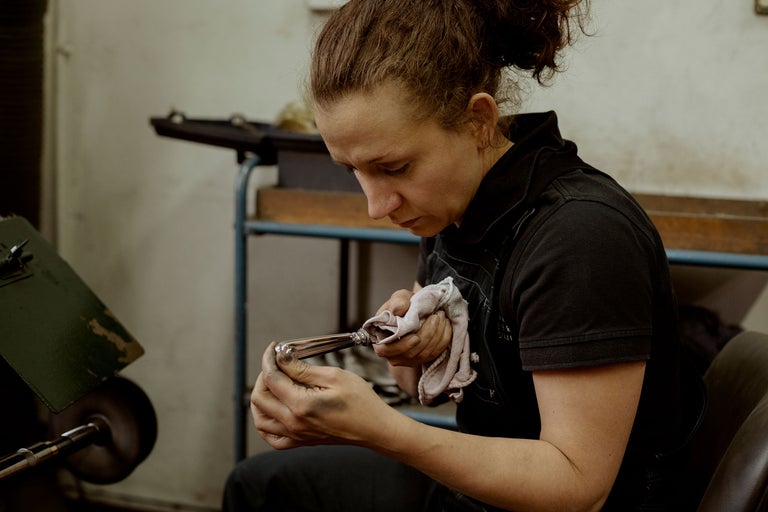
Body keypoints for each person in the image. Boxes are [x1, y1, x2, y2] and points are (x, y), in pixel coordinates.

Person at [224, 1, 702, 510]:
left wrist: (381, 430)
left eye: (395, 166)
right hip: (481, 492)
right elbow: (417, 385)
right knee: (258, 487)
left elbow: (577, 486)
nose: (375, 206)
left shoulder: (579, 239)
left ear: (478, 122)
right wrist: (412, 348)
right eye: (352, 171)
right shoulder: (453, 210)